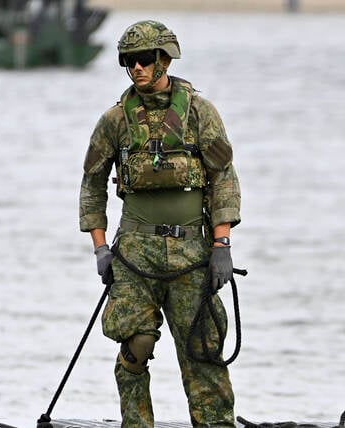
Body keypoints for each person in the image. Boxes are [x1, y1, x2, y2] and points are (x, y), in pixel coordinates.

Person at [79, 20, 241, 427]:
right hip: (135, 252)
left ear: (164, 59)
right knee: (137, 341)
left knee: (203, 350)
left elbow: (223, 178)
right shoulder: (115, 120)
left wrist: (221, 245)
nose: (136, 68)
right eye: (129, 62)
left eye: (145, 60)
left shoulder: (200, 113)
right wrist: (100, 247)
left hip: (192, 252)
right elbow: (92, 186)